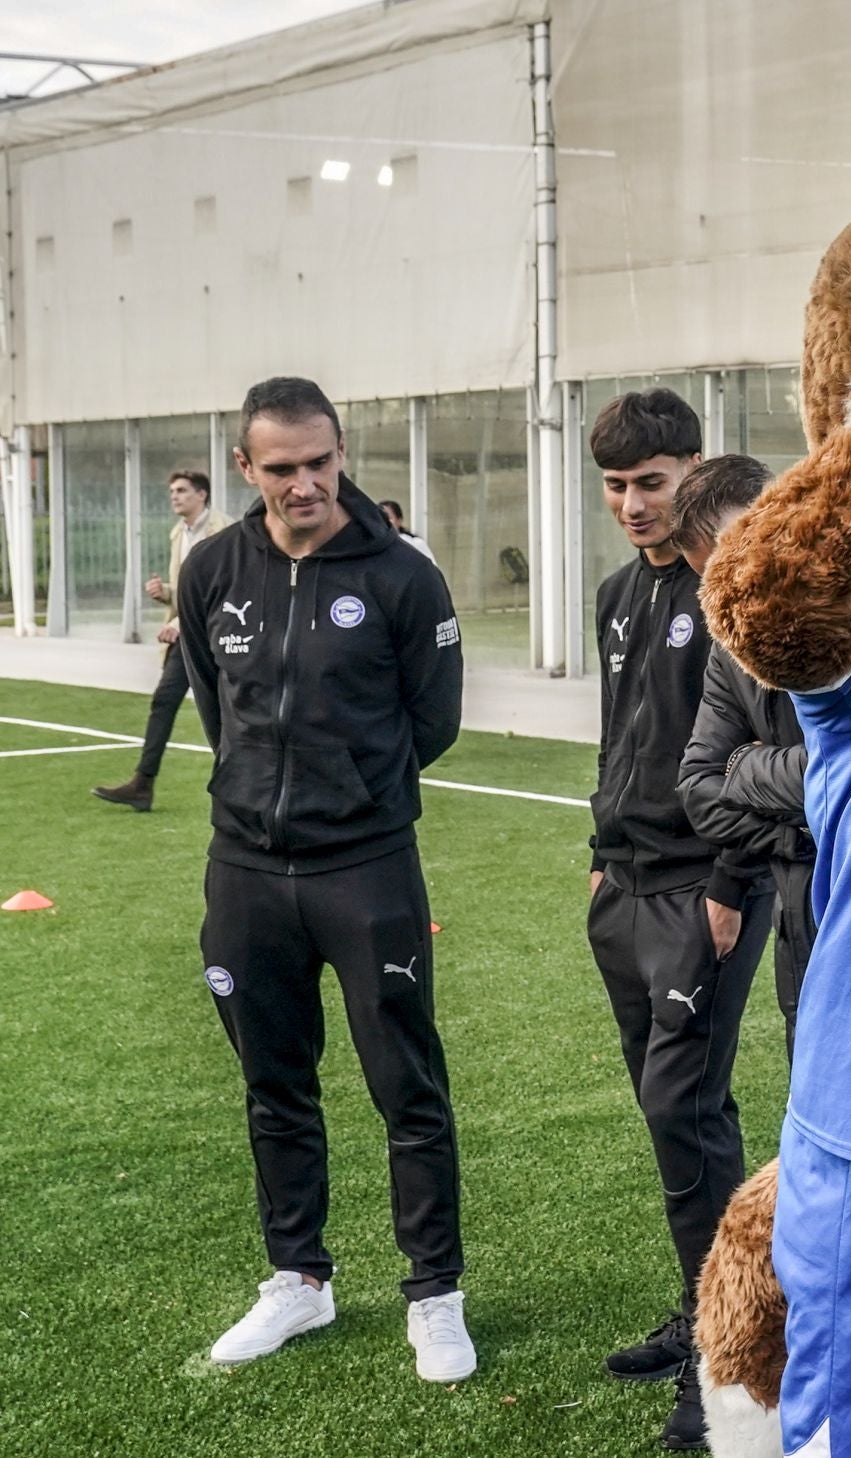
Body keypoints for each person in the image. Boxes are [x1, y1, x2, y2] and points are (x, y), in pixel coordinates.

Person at [174, 377, 473, 1381]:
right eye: (284, 467)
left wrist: (354, 793)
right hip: (247, 873)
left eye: (322, 462)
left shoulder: (401, 576)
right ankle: (297, 1280)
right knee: (274, 1082)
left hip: (368, 868)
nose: (307, 484)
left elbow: (433, 721)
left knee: (406, 1085)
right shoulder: (214, 568)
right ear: (245, 468)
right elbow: (224, 708)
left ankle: (434, 1293)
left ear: (341, 453)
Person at [584, 393, 774, 1451]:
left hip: (708, 892)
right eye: (614, 487)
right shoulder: (618, 594)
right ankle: (702, 1308)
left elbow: (750, 755)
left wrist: (730, 887)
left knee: (688, 1113)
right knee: (671, 1120)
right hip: (626, 887)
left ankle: (727, 1365)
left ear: (692, 474)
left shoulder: (731, 592)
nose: (631, 505)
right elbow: (619, 739)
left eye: (650, 483)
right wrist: (599, 863)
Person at [673, 454, 816, 1060]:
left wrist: (748, 767)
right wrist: (801, 830)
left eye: (736, 562)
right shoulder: (729, 649)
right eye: (709, 582)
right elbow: (699, 789)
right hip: (800, 925)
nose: (730, 593)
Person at [91, 469, 233, 812]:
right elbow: (189, 590)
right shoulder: (178, 534)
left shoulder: (226, 532)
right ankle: (143, 783)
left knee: (227, 709)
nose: (174, 496)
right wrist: (165, 593)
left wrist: (183, 621)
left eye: (182, 490)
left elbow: (225, 589)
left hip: (222, 634)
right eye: (172, 490)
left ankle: (240, 783)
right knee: (164, 701)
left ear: (202, 494)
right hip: (186, 636)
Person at [378, 499, 438, 565]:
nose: (384, 522)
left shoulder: (415, 543)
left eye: (389, 517)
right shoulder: (375, 547)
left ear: (399, 520)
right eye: (381, 518)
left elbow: (432, 569)